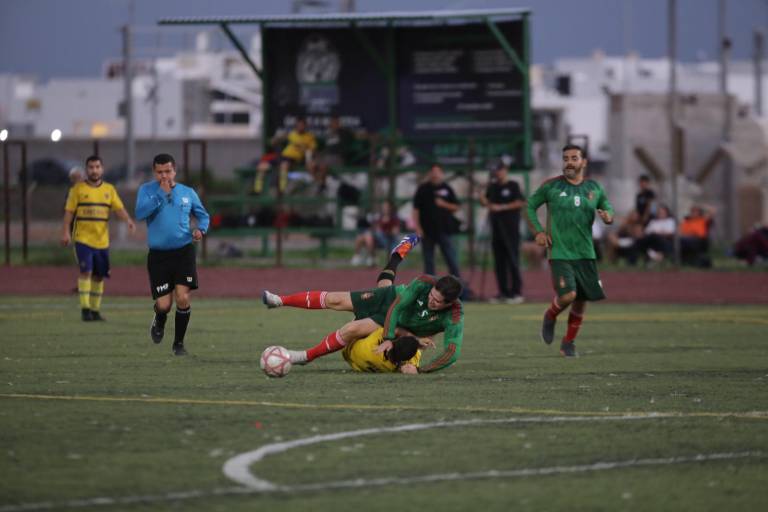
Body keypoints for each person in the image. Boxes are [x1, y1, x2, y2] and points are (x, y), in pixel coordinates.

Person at [262, 234, 465, 373]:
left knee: (352, 328)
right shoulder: (423, 283)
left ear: (449, 303)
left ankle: (306, 356)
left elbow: (451, 354)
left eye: (437, 302)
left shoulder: (454, 317)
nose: (432, 300)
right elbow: (397, 307)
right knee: (337, 299)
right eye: (431, 296)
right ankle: (279, 300)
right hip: (392, 301)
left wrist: (422, 370)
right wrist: (388, 337)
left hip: (402, 325)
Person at [525, 143, 614, 357]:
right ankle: (550, 315)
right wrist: (538, 231)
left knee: (581, 301)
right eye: (566, 158)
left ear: (583, 162)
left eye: (574, 158)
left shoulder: (594, 188)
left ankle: (568, 343)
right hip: (559, 253)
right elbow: (529, 206)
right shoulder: (551, 187)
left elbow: (607, 207)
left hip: (586, 253)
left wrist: (608, 217)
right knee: (568, 295)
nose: (569, 162)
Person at [135, 153, 210, 356]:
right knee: (164, 304)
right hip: (159, 256)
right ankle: (159, 318)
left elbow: (203, 216)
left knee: (183, 298)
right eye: (160, 172)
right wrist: (161, 193)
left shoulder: (187, 193)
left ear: (174, 171)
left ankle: (178, 344)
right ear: (154, 172)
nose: (164, 176)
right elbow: (140, 213)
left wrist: (200, 230)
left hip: (183, 252)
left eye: (167, 171)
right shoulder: (147, 191)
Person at [61, 156, 136, 321]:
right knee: (86, 271)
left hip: (102, 241)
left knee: (99, 276)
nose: (94, 170)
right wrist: (65, 231)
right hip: (83, 239)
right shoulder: (78, 190)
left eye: (97, 167)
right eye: (91, 167)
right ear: (87, 170)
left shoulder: (109, 189)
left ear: (102, 169)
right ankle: (85, 310)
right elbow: (69, 213)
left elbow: (119, 208)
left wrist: (128, 220)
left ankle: (95, 311)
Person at [480, 161, 525, 304]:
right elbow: (486, 202)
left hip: (511, 230)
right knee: (499, 263)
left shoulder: (513, 185)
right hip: (496, 230)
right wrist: (482, 195)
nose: (497, 173)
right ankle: (503, 292)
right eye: (495, 170)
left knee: (513, 260)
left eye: (500, 170)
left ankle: (516, 292)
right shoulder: (492, 187)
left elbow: (520, 202)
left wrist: (501, 207)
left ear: (505, 170)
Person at [412, 163, 462, 278]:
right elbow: (416, 210)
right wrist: (418, 227)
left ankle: (458, 286)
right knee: (428, 261)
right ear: (429, 174)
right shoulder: (422, 189)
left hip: (444, 230)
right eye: (433, 172)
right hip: (427, 231)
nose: (435, 175)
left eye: (437, 172)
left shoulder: (447, 188)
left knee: (451, 259)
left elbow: (456, 206)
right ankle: (429, 288)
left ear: (441, 174)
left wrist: (444, 204)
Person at [341, 328, 422, 374]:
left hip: (348, 347)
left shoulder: (379, 334)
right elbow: (412, 366)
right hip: (354, 362)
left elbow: (394, 328)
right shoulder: (391, 369)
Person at [351, 201, 402, 267]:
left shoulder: (394, 218)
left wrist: (385, 231)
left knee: (369, 235)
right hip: (377, 239)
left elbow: (395, 232)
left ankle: (372, 257)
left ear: (391, 208)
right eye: (383, 207)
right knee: (361, 237)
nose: (385, 209)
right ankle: (359, 256)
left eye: (386, 207)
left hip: (388, 240)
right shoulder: (379, 217)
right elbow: (374, 228)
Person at [278, 117, 317, 193]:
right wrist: (279, 137)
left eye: (302, 125)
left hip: (299, 159)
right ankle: (281, 190)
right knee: (284, 165)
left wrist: (304, 149)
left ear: (305, 126)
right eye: (298, 125)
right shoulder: (291, 134)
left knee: (311, 165)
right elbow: (277, 140)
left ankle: (313, 188)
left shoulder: (309, 136)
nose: (300, 127)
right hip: (286, 157)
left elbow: (313, 150)